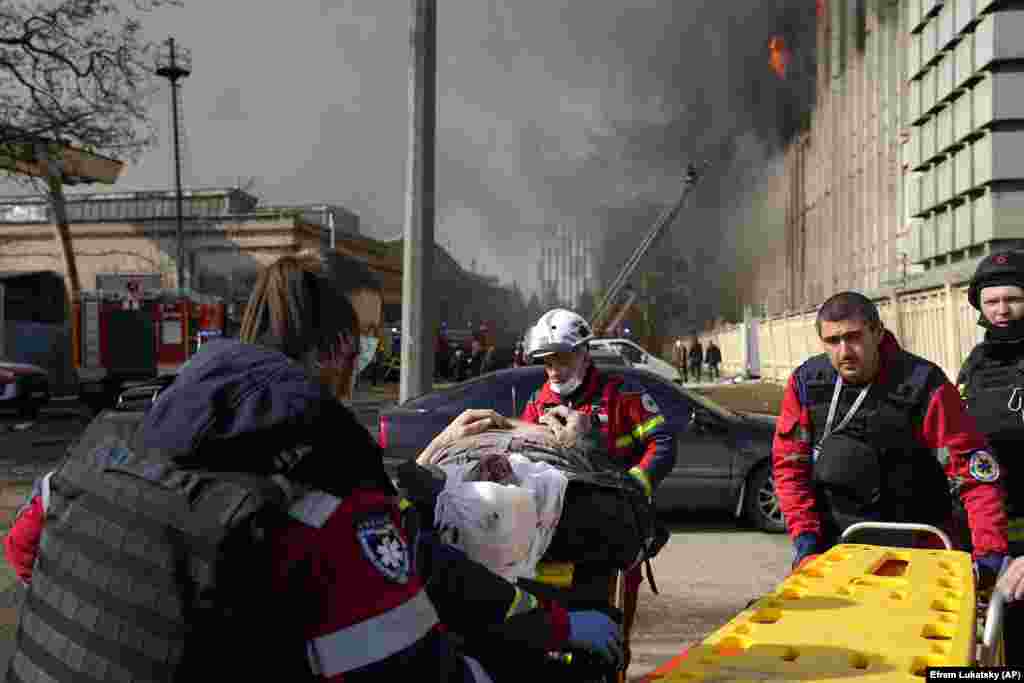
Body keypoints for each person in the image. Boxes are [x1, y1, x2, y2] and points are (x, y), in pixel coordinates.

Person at [3, 251, 496, 682]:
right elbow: (405, 664)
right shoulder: (324, 488)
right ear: (336, 346)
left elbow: (24, 549)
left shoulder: (120, 436)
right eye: (366, 333)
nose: (372, 350)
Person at [772, 291, 1008, 582]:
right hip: (836, 550)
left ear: (878, 332)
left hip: (919, 550)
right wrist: (806, 542)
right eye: (833, 341)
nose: (844, 351)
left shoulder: (924, 386)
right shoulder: (806, 384)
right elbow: (790, 467)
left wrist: (988, 558)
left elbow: (973, 474)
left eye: (854, 337)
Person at [518, 308, 676, 656]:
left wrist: (635, 486)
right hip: (557, 536)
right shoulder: (537, 402)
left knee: (611, 632)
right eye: (547, 362)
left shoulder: (622, 393)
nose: (555, 370)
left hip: (615, 531)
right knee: (561, 632)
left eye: (563, 359)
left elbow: (662, 444)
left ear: (584, 352)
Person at [957, 251, 1024, 663]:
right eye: (991, 301)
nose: (1002, 310)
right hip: (987, 541)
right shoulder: (976, 365)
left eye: (1013, 299)